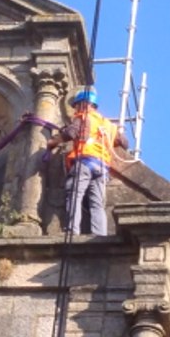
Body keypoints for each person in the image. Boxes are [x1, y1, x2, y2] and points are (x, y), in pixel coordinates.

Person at [47, 87, 128, 236]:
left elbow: (71, 133)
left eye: (77, 105)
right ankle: (100, 234)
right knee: (97, 203)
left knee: (75, 195)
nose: (76, 109)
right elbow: (124, 143)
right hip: (102, 167)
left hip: (85, 162)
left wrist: (53, 142)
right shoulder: (108, 125)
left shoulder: (83, 117)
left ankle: (72, 230)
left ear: (85, 104)